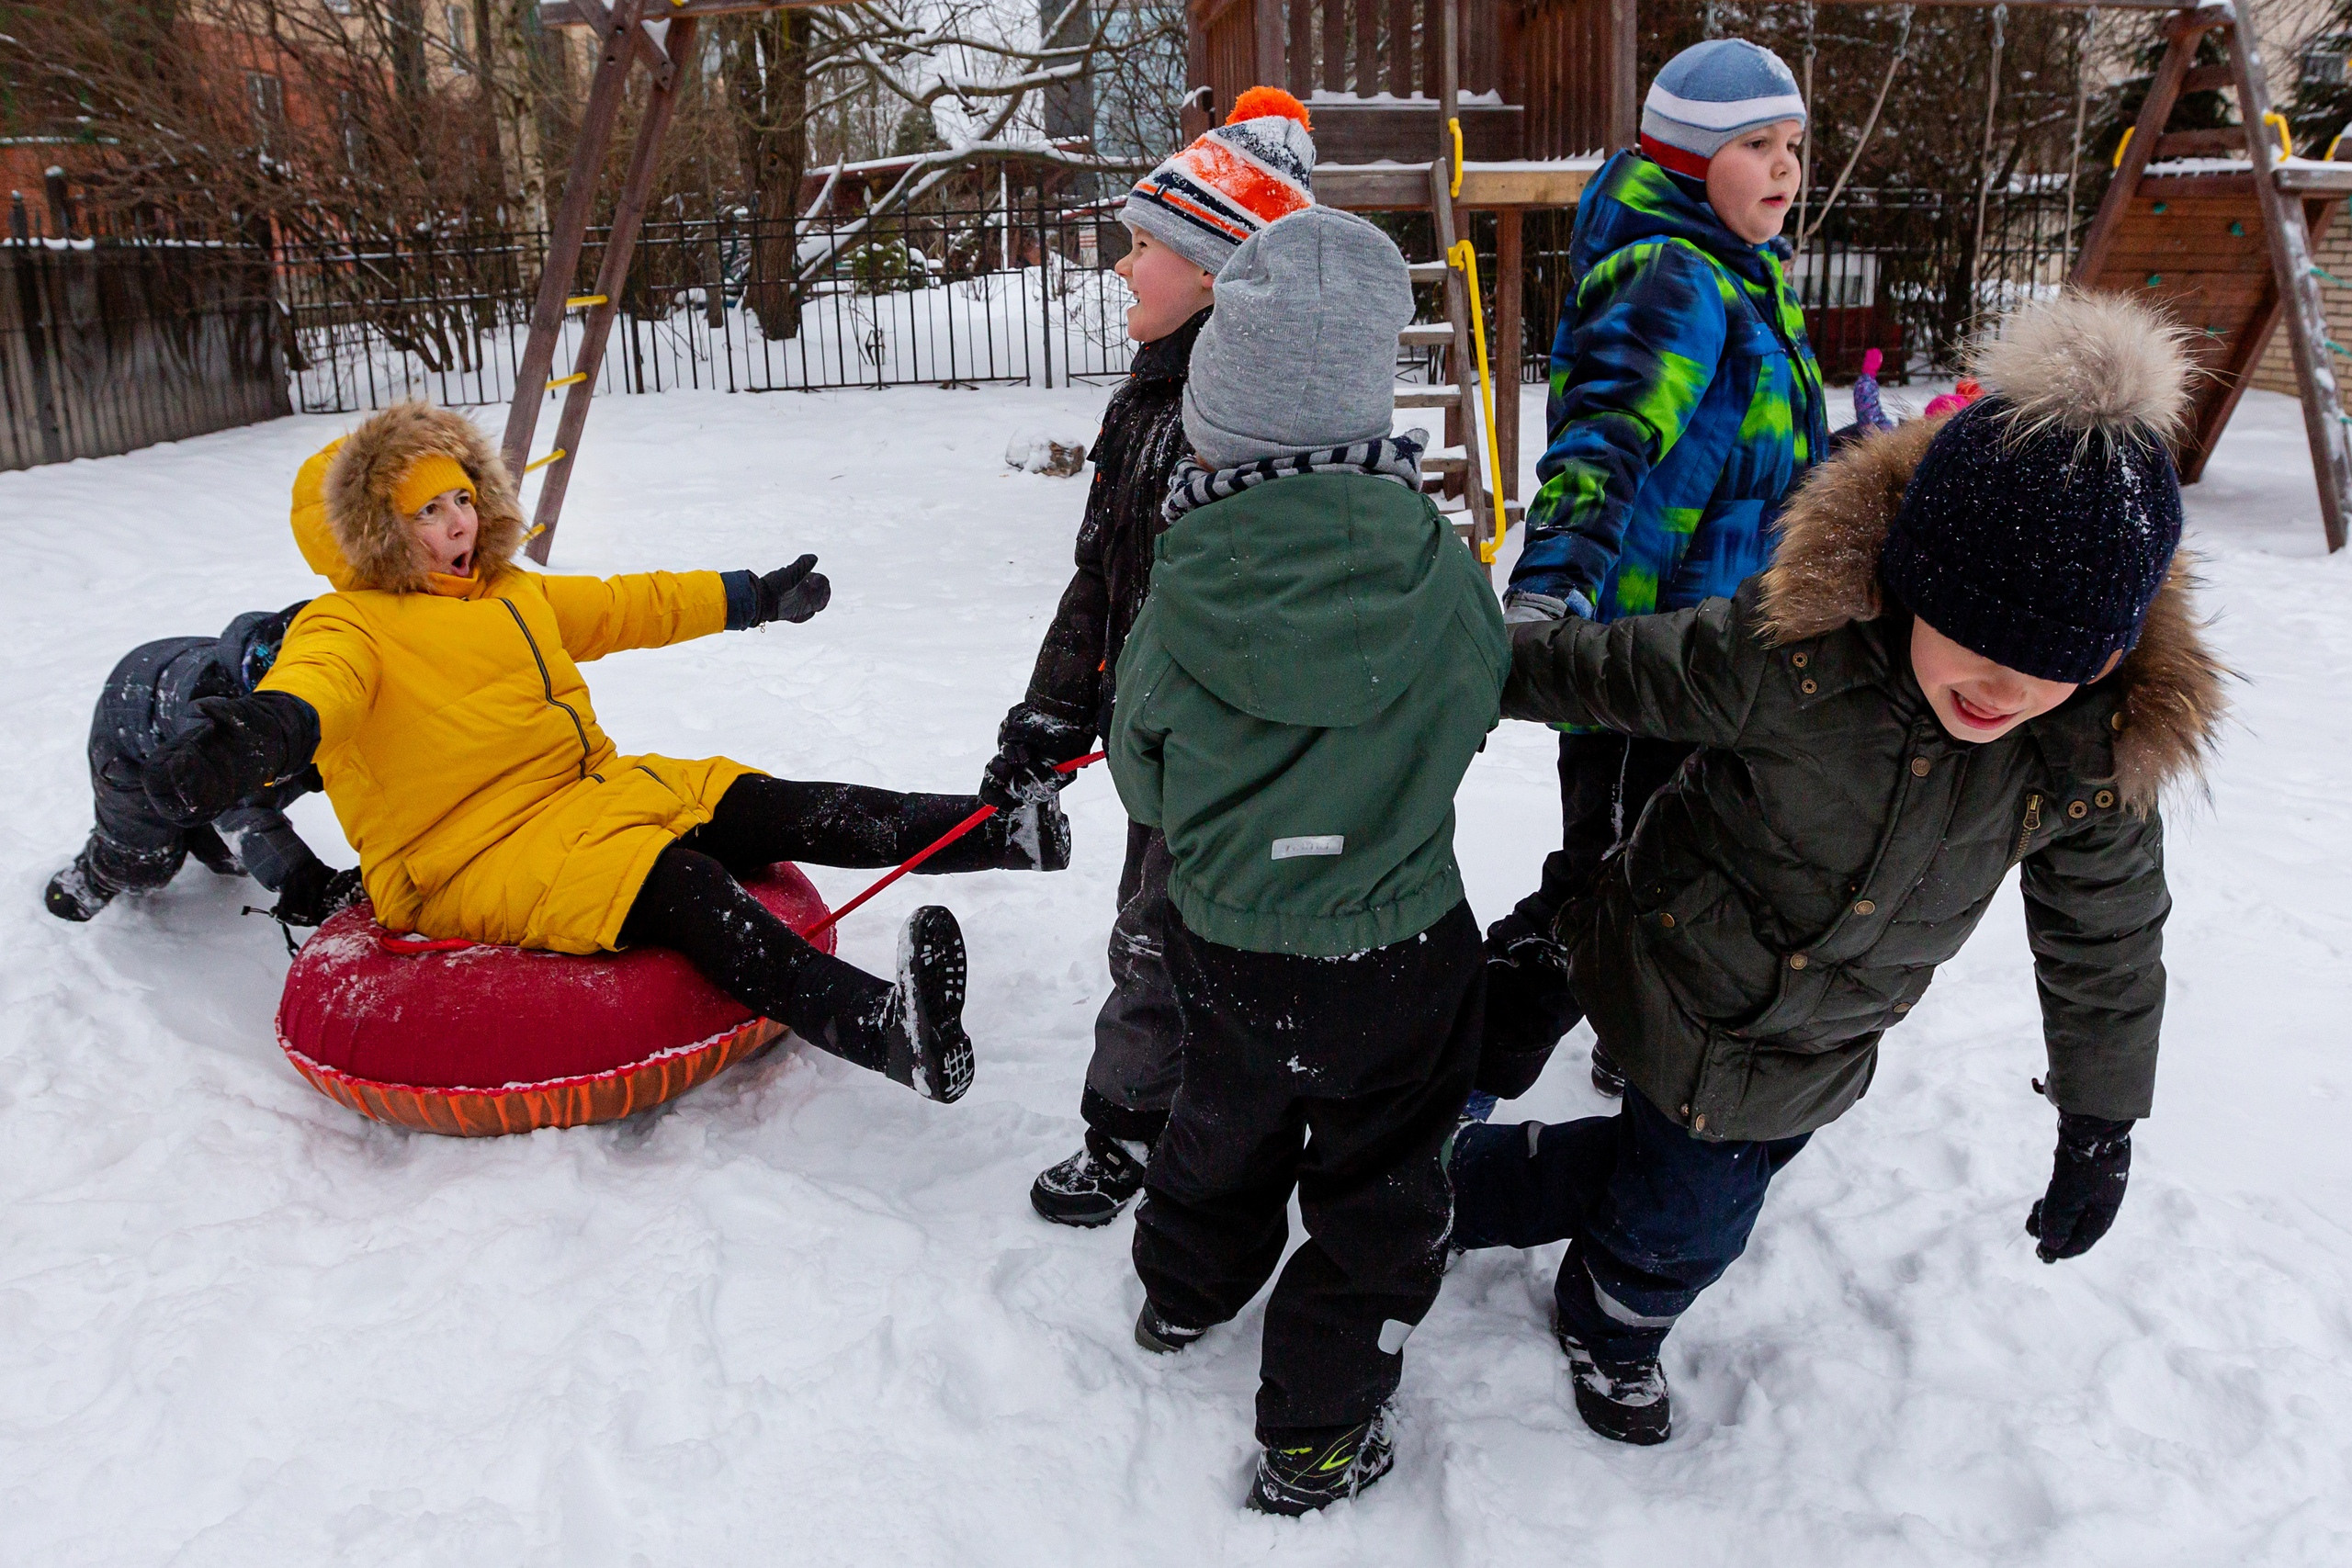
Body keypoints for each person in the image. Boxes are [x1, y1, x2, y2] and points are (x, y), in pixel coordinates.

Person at [1448, 290, 2221, 1447]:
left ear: (2109, 655)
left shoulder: (2087, 761)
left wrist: (2098, 1120)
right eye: (1976, 633)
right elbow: (1609, 671)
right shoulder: (1796, 658)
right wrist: (1457, 674)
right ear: (1912, 575)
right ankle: (1480, 1222)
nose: (2004, 687)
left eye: (2051, 662)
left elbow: (2105, 942)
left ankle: (1578, 1277)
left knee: (1702, 1206)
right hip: (1664, 948)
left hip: (1813, 1041)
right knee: (1638, 1165)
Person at [141, 402, 1069, 1103]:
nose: (459, 523)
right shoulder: (349, 624)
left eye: (464, 496)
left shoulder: (507, 591)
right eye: (428, 512)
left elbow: (631, 604)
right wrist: (264, 734)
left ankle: (1001, 832)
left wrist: (751, 596)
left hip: (583, 794)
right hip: (464, 852)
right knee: (685, 885)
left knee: (761, 803)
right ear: (372, 534)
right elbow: (316, 690)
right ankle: (885, 1029)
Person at [1112, 207, 1507, 1513]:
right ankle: (1320, 1426)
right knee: (1383, 1176)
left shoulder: (1183, 584)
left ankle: (1184, 1286)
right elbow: (1469, 705)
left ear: (1219, 423)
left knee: (1225, 1111)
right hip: (1398, 943)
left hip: (1227, 932)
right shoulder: (1436, 570)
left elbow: (1141, 764)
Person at [1479, 38, 1828, 1109]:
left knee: (1689, 872)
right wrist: (1548, 594)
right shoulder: (1670, 275)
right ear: (1685, 159)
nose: (1784, 168)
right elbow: (1604, 443)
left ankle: (1638, 1040)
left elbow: (1775, 450)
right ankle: (1451, 1070)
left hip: (1723, 649)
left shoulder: (1745, 272)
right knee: (1606, 884)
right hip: (1645, 662)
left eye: (1794, 145)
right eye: (1756, 146)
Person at [997, 85, 1319, 1225]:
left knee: (1180, 935)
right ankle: (1145, 1120)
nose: (1123, 267)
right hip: (1153, 739)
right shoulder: (1143, 401)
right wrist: (1048, 718)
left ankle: (1152, 1127)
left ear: (1220, 270)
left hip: (1231, 753)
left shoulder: (1251, 426)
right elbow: (1103, 575)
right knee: (1154, 924)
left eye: (1144, 246)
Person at [45, 604, 360, 931]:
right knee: (144, 861)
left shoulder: (323, 687)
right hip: (132, 730)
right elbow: (242, 811)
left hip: (200, 705)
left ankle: (204, 835)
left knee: (232, 839)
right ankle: (96, 875)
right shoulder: (213, 712)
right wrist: (303, 880)